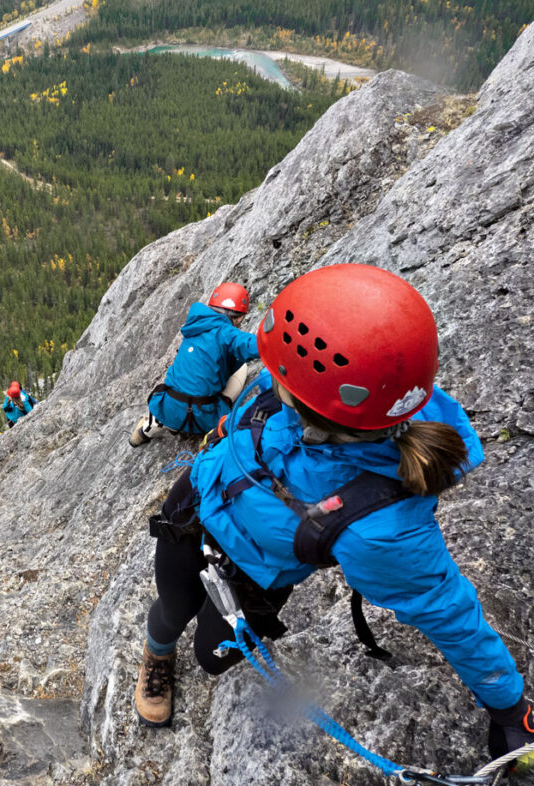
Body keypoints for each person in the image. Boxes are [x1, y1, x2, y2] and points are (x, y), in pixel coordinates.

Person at [133, 264, 533, 773]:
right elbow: (240, 422)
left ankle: (175, 644)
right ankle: (157, 655)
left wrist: (509, 708)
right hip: (191, 511)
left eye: (279, 374)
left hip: (252, 574)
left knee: (213, 657)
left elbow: (445, 609)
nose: (269, 377)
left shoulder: (381, 525)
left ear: (313, 402)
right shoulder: (326, 392)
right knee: (170, 609)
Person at [130, 282, 259, 447]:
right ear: (240, 317)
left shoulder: (195, 323)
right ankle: (215, 424)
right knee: (241, 366)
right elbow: (252, 345)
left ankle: (145, 431)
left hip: (169, 408)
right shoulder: (227, 333)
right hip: (203, 417)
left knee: (184, 377)